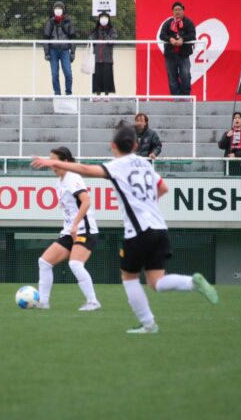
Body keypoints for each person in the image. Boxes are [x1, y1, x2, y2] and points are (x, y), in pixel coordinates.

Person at [32, 127, 218, 334]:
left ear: (113, 146)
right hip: (159, 228)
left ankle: (148, 324)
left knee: (129, 279)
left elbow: (85, 169)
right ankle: (192, 282)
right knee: (156, 282)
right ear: (136, 145)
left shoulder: (117, 166)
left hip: (138, 231)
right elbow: (163, 188)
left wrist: (52, 162)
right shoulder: (146, 164)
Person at [36, 147, 101, 311]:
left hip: (85, 230)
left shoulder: (73, 177)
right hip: (69, 231)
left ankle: (93, 302)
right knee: (44, 262)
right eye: (50, 162)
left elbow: (86, 201)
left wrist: (75, 224)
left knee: (75, 264)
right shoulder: (59, 181)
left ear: (65, 162)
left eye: (54, 161)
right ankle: (43, 303)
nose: (51, 165)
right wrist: (70, 226)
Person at [159, 2, 196, 97]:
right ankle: (176, 98)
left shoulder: (188, 22)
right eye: (175, 10)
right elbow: (162, 35)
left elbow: (192, 35)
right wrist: (170, 39)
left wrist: (183, 39)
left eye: (179, 10)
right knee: (172, 77)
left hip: (184, 55)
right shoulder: (168, 23)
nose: (177, 12)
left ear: (183, 11)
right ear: (173, 12)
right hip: (170, 55)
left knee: (185, 76)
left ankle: (186, 97)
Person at [43, 1, 76, 96]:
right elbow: (45, 38)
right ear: (53, 10)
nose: (58, 10)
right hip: (53, 51)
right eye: (56, 8)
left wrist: (72, 52)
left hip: (65, 50)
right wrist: (47, 53)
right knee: (54, 74)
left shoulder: (68, 21)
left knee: (68, 73)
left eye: (60, 8)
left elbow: (73, 38)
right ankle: (57, 93)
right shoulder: (50, 22)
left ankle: (68, 93)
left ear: (63, 10)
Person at [88, 12, 117, 100]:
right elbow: (90, 40)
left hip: (107, 58)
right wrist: (93, 36)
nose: (103, 19)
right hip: (97, 58)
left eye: (105, 17)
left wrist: (105, 35)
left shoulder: (112, 30)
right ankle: (97, 95)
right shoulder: (96, 30)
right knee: (97, 77)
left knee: (107, 77)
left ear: (108, 19)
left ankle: (107, 95)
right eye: (102, 18)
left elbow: (113, 41)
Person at [218, 112, 241, 176]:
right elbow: (221, 146)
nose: (237, 119)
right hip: (229, 163)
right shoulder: (228, 133)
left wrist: (236, 155)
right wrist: (227, 137)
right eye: (235, 118)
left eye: (239, 118)